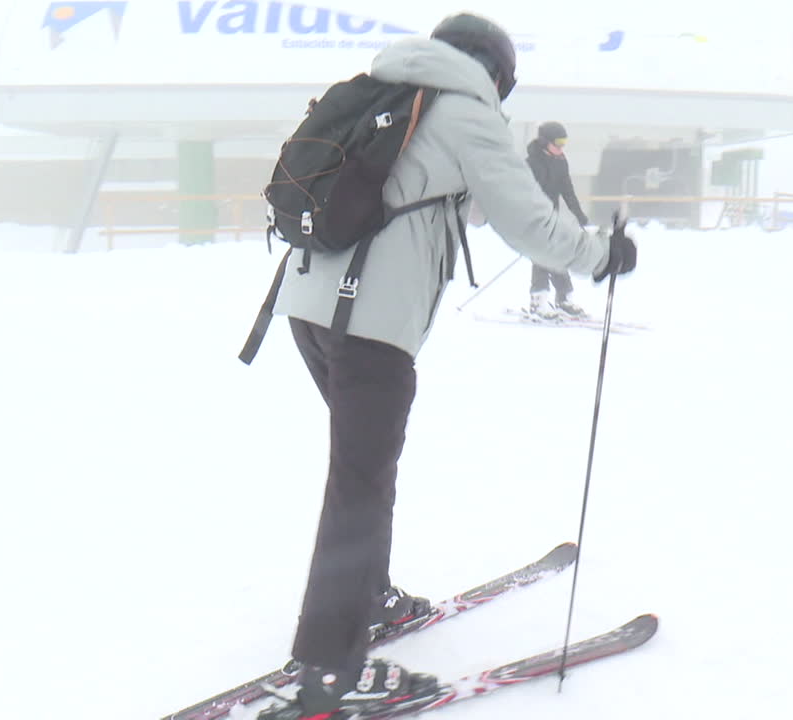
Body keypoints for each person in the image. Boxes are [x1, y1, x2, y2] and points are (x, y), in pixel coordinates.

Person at [269, 12, 637, 719]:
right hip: (371, 327)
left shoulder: (385, 92)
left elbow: (432, 202)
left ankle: (365, 600)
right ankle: (329, 672)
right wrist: (600, 255)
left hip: (309, 310)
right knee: (360, 487)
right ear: (495, 73)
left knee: (361, 471)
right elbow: (526, 220)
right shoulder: (465, 112)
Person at [526, 120, 591, 318]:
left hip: (552, 217)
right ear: (545, 142)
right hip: (534, 217)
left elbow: (567, 190)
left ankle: (564, 299)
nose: (561, 147)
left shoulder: (560, 161)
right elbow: (524, 193)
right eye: (558, 143)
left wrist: (578, 214)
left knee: (558, 255)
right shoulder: (531, 164)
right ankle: (538, 300)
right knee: (541, 256)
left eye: (564, 143)